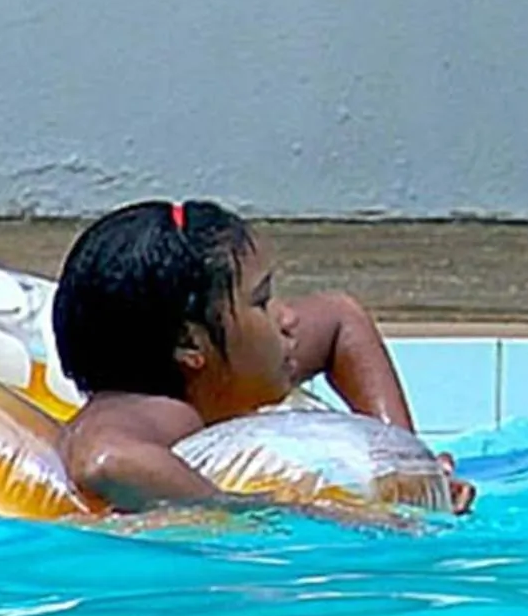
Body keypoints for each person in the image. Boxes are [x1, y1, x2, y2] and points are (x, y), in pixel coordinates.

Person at [52, 199, 474, 514]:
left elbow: (341, 318)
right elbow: (104, 461)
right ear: (190, 344)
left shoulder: (228, 364)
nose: (287, 317)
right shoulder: (157, 411)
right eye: (263, 301)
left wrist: (408, 467)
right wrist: (278, 513)